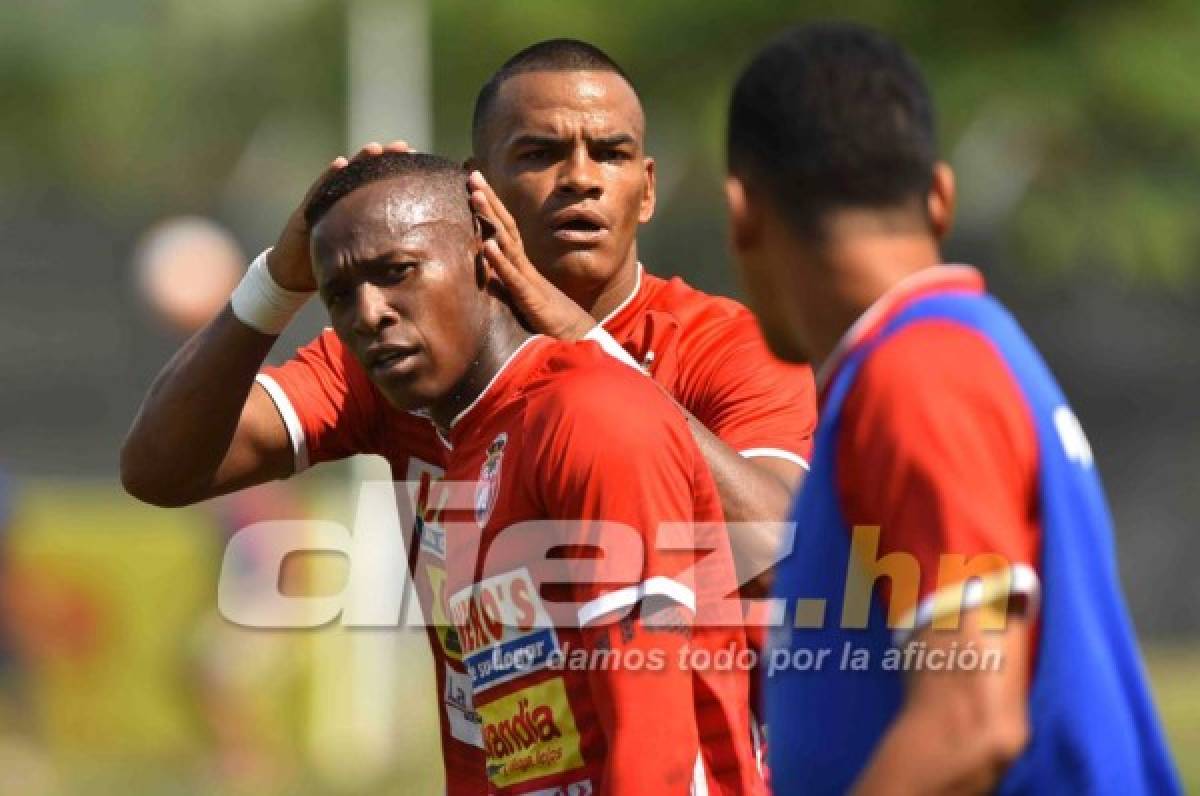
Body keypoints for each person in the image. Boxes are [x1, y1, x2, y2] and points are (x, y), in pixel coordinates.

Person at [121, 38, 814, 790]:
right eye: (540, 152)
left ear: (646, 190)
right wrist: (278, 283)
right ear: (476, 191)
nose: (580, 179)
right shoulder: (402, 357)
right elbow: (161, 469)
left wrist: (585, 346)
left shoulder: (717, 347)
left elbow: (785, 567)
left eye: (610, 154)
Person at [723, 21, 1181, 794]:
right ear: (941, 195)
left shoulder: (918, 372)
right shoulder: (959, 346)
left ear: (744, 214)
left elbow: (972, 722)